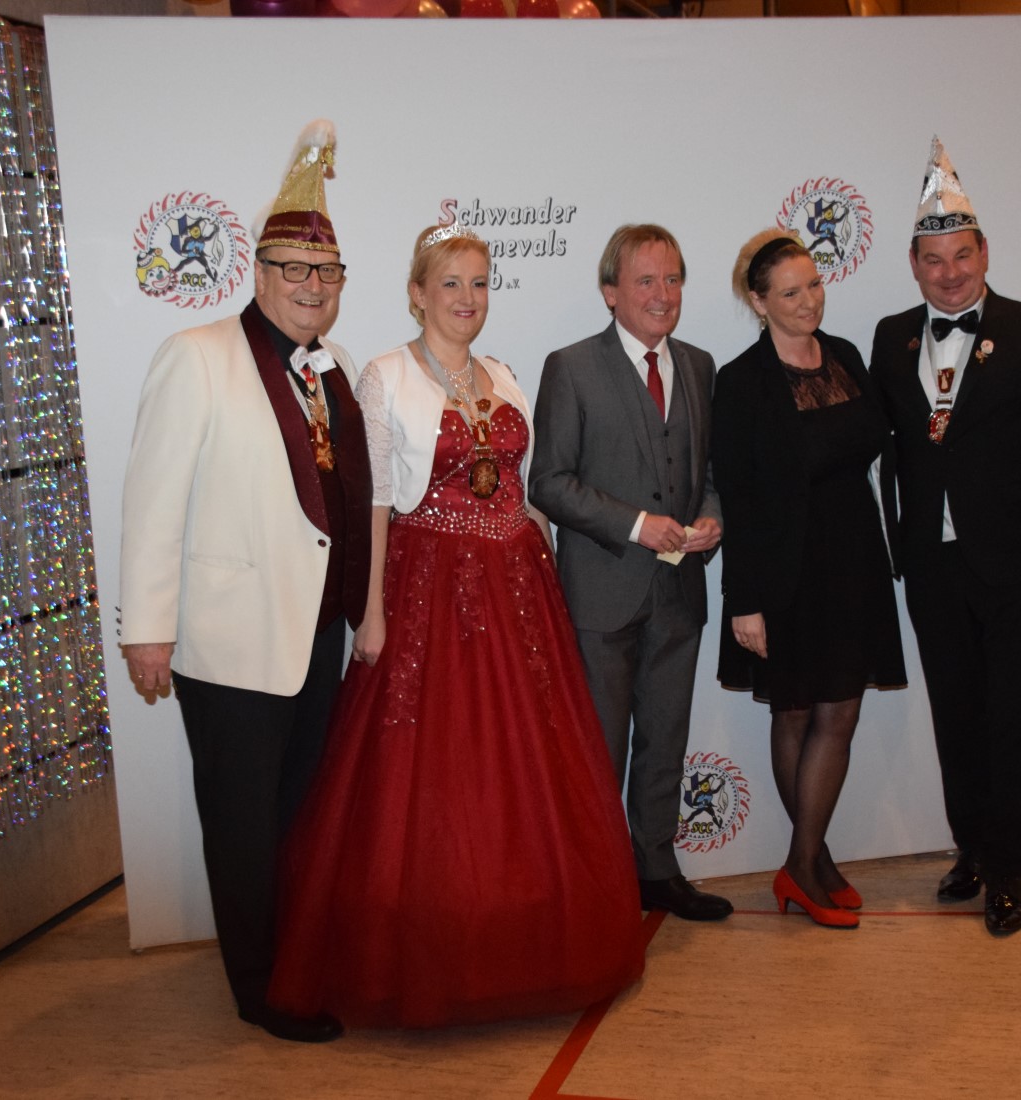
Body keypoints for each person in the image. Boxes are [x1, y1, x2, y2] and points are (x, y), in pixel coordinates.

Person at [266, 224, 645, 1029]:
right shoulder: (385, 375)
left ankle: (526, 941)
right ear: (417, 293)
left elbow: (519, 490)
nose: (467, 298)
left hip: (517, 589)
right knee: (432, 776)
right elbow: (375, 501)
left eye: (478, 283)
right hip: (426, 590)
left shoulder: (502, 374)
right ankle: (430, 950)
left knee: (529, 770)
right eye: (450, 284)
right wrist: (371, 612)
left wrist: (553, 555)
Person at [118, 121, 369, 1043]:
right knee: (242, 823)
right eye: (294, 269)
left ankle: (295, 960)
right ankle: (259, 990)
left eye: (327, 272)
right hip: (228, 641)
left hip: (317, 635)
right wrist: (147, 630)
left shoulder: (335, 369)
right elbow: (152, 503)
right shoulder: (196, 355)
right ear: (257, 274)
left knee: (299, 814)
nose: (312, 286)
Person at [870, 138, 1021, 937]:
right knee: (956, 715)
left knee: (1013, 718)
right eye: (934, 260)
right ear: (914, 264)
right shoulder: (891, 337)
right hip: (932, 567)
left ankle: (1006, 865)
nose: (950, 273)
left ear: (985, 253)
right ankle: (971, 844)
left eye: (962, 256)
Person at [529, 225, 731, 922]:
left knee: (666, 743)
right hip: (601, 596)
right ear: (610, 291)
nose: (662, 294)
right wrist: (637, 524)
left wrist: (711, 518)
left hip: (679, 594)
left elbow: (708, 473)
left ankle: (656, 870)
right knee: (598, 752)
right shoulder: (571, 367)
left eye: (672, 279)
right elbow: (549, 482)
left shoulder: (700, 365)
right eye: (645, 281)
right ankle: (592, 886)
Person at [710, 230, 906, 930]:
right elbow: (736, 495)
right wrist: (745, 601)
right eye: (790, 292)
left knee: (840, 713)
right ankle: (807, 864)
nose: (808, 301)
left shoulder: (846, 354)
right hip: (784, 571)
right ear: (759, 301)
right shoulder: (741, 380)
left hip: (854, 560)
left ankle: (806, 860)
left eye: (815, 285)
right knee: (795, 711)